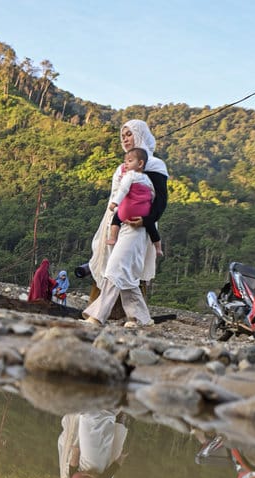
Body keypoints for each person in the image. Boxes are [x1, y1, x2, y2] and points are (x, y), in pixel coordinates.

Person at [83, 120, 169, 328]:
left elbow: (160, 200)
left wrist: (146, 220)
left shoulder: (154, 165)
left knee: (116, 267)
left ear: (140, 135)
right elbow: (117, 196)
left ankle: (97, 316)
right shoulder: (123, 167)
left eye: (129, 134)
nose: (125, 139)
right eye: (123, 135)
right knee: (125, 273)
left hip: (139, 226)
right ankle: (141, 319)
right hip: (117, 224)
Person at [105, 147, 158, 253]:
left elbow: (123, 190)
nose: (126, 164)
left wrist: (114, 202)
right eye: (125, 162)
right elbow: (152, 193)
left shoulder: (129, 175)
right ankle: (158, 248)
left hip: (128, 212)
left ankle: (113, 238)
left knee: (116, 219)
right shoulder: (147, 178)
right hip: (143, 214)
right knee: (151, 226)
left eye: (129, 161)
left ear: (140, 163)